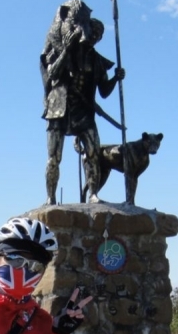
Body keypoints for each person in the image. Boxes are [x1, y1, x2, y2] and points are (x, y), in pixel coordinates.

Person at [41, 16, 125, 205]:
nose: (94, 36)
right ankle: (51, 197)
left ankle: (93, 193)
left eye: (99, 34)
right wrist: (67, 50)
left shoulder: (96, 60)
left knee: (93, 152)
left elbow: (103, 91)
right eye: (93, 31)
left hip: (84, 111)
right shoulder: (63, 49)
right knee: (54, 157)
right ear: (83, 30)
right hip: (59, 108)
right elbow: (52, 73)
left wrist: (115, 78)